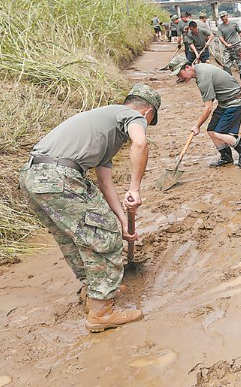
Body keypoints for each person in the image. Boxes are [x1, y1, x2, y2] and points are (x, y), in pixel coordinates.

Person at [19, 84, 161, 333]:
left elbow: (105, 184)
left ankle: (96, 290)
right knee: (103, 236)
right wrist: (135, 188)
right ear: (148, 112)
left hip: (32, 177)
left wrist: (123, 222)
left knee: (75, 238)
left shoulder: (102, 132)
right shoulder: (131, 115)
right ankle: (101, 311)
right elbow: (140, 142)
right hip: (59, 176)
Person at [174, 61, 241, 168]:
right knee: (211, 130)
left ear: (187, 67)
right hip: (224, 102)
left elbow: (208, 107)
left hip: (235, 101)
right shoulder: (199, 69)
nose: (180, 78)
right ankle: (226, 157)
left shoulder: (203, 78)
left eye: (179, 74)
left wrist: (197, 126)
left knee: (219, 133)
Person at [217, 10, 241, 85]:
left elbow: (239, 32)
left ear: (227, 16)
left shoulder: (234, 24)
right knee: (226, 65)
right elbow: (220, 37)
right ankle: (229, 81)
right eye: (221, 17)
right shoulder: (220, 27)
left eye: (224, 16)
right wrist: (226, 44)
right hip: (228, 49)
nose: (223, 18)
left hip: (237, 47)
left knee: (240, 64)